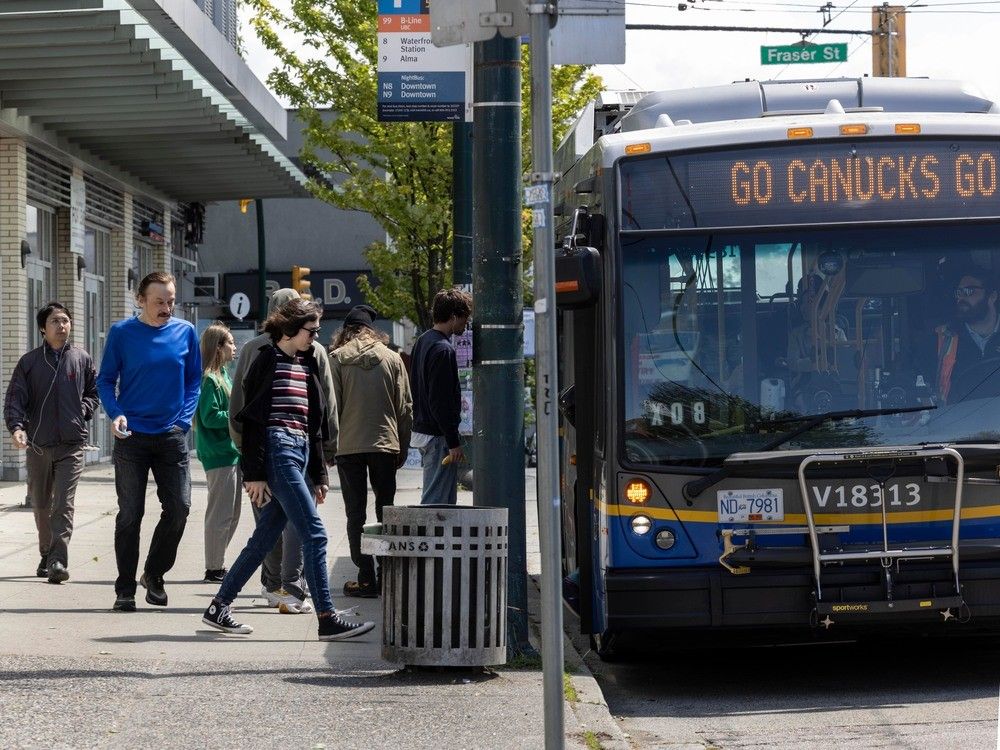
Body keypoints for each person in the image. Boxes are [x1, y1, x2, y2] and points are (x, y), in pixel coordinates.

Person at [201, 298, 374, 640]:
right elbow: (250, 420)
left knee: (263, 538)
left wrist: (320, 474)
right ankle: (326, 617)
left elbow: (316, 422)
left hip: (299, 452)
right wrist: (254, 473)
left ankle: (219, 605)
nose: (316, 336)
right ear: (292, 328)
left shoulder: (307, 362)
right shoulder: (266, 361)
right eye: (312, 330)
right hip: (277, 450)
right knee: (315, 533)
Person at [228, 287, 338, 614]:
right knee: (302, 528)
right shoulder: (308, 351)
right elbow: (325, 408)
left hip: (273, 452)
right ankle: (306, 598)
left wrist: (248, 458)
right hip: (287, 451)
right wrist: (325, 457)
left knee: (269, 527)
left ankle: (267, 587)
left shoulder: (252, 349)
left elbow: (239, 410)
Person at [97, 271, 201, 612]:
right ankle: (125, 587)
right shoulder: (122, 333)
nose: (166, 308)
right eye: (159, 302)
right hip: (132, 437)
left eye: (171, 301)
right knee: (130, 513)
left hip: (171, 435)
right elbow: (105, 379)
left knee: (180, 508)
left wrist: (183, 421)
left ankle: (154, 574)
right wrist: (115, 413)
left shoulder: (186, 333)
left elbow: (193, 383)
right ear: (140, 300)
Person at [3, 302, 98, 584]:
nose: (62, 326)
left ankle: (58, 559)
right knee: (42, 503)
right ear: (43, 328)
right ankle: (46, 552)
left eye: (66, 320)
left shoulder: (81, 359)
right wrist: (17, 428)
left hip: (71, 444)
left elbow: (94, 392)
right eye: (55, 321)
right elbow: (15, 399)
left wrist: (82, 411)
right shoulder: (29, 362)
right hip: (38, 445)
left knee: (63, 504)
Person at [330, 304, 412, 597]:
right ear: (372, 330)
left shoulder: (336, 359)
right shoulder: (392, 359)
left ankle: (365, 578)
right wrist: (402, 444)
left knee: (356, 514)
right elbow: (404, 407)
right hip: (384, 444)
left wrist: (329, 448)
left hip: (348, 446)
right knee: (385, 510)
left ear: (347, 332)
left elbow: (332, 409)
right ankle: (387, 574)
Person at [409, 288, 472, 505]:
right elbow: (441, 401)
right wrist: (453, 441)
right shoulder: (443, 350)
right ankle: (429, 539)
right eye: (464, 317)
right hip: (438, 436)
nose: (466, 322)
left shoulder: (423, 341)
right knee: (437, 501)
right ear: (453, 316)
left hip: (423, 429)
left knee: (437, 498)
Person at [195, 323, 241, 583]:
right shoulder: (209, 379)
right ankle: (213, 567)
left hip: (230, 452)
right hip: (218, 453)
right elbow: (209, 417)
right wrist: (236, 415)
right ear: (218, 347)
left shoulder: (224, 375)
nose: (235, 348)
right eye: (230, 343)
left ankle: (218, 562)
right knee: (220, 514)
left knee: (231, 514)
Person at [935, 268, 1000, 404]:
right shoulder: (943, 338)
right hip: (956, 422)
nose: (961, 298)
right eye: (959, 293)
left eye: (969, 291)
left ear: (992, 296)